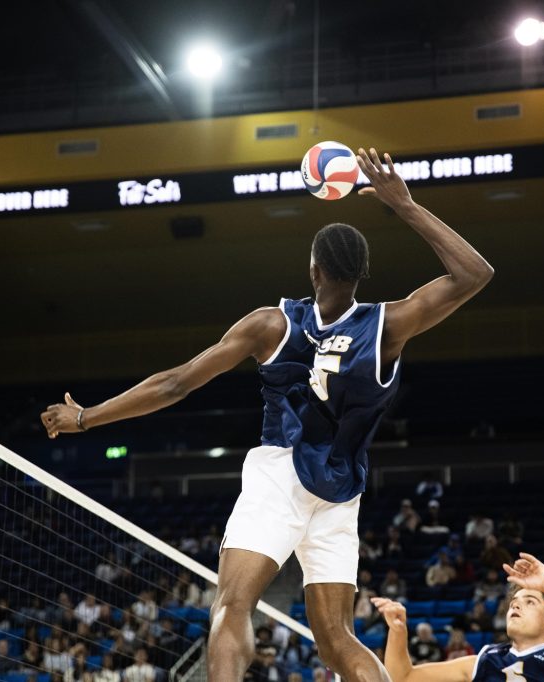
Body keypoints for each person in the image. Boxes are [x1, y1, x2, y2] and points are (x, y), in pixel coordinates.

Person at [41, 146, 494, 682]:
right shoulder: (388, 327)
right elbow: (474, 274)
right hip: (341, 486)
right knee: (337, 639)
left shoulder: (270, 326)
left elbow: (176, 382)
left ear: (314, 269)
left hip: (280, 473)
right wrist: (405, 205)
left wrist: (87, 418)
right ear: (362, 274)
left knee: (232, 606)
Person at [373, 553, 544, 682]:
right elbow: (403, 677)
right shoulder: (485, 659)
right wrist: (397, 632)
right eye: (514, 602)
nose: (516, 606)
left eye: (530, 602)